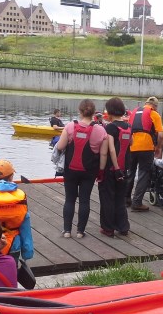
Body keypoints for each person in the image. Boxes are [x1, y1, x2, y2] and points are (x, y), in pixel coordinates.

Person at [56, 99, 108, 238]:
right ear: (93, 113)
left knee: (69, 199)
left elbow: (60, 147)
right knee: (85, 200)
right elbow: (103, 153)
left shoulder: (70, 127)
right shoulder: (101, 130)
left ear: (79, 111)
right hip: (89, 171)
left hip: (70, 169)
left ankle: (67, 231)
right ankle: (80, 231)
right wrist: (101, 171)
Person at [98, 97, 131, 237]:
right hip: (124, 169)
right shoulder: (129, 127)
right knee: (120, 198)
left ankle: (108, 228)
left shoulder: (111, 127)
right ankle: (123, 227)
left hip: (112, 169)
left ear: (110, 111)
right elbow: (131, 143)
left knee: (107, 197)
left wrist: (101, 170)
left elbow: (107, 151)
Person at [126, 96, 163, 212]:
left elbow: (128, 129)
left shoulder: (133, 112)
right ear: (155, 106)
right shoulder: (155, 114)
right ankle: (137, 202)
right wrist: (158, 148)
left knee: (130, 172)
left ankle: (126, 199)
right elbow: (161, 135)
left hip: (132, 146)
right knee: (143, 173)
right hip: (146, 147)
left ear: (145, 104)